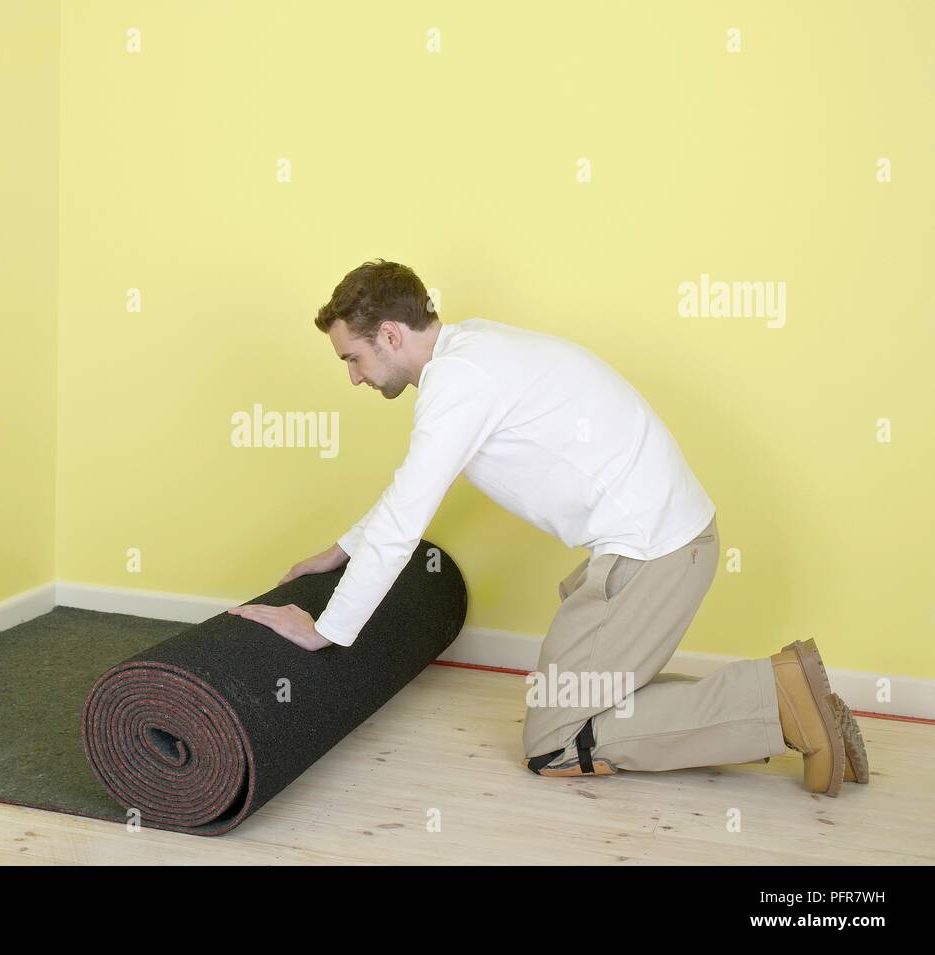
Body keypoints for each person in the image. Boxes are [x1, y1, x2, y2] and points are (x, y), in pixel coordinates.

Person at [228, 259, 868, 795]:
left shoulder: (459, 383)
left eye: (354, 358)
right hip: (661, 543)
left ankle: (780, 701)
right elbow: (407, 491)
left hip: (652, 554)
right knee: (584, 703)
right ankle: (779, 693)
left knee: (555, 744)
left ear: (390, 336)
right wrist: (339, 550)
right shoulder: (473, 354)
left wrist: (325, 630)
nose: (353, 378)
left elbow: (405, 515)